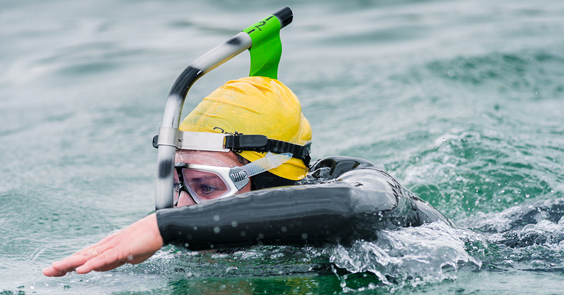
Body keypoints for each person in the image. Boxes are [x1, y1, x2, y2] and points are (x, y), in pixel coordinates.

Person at [43, 77, 449, 277]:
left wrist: (167, 227)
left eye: (206, 187)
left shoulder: (356, 183)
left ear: (271, 180)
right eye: (178, 185)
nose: (183, 206)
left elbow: (341, 208)